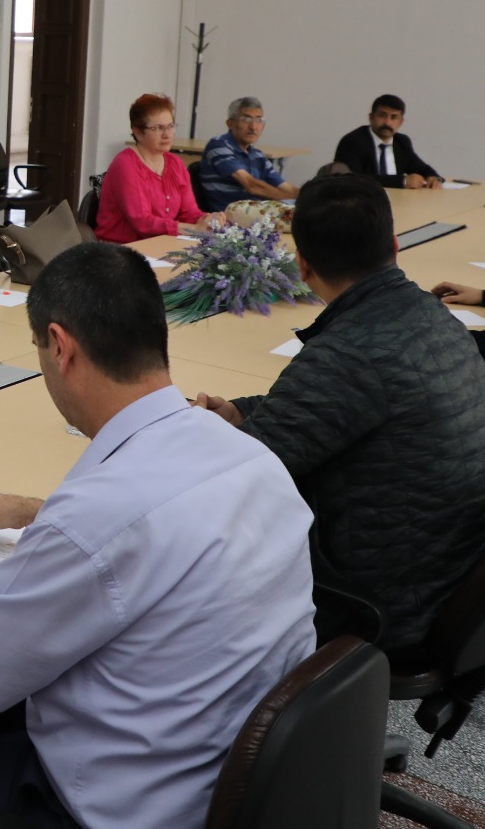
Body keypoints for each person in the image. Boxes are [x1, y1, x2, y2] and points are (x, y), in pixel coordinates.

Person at [0, 242, 315, 829]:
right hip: (230, 776)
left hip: (115, 808)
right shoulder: (250, 457)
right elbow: (155, 524)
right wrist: (29, 511)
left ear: (60, 347)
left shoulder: (95, 517)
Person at [196, 174, 485, 649]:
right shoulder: (432, 314)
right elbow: (339, 406)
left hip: (383, 607)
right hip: (450, 576)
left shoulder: (348, 353)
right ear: (395, 246)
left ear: (302, 265)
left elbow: (238, 477)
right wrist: (243, 413)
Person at [94, 93, 222, 243]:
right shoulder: (125, 164)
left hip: (161, 243)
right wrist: (193, 229)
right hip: (121, 247)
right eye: (158, 128)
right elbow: (142, 222)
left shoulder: (175, 163)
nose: (167, 134)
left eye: (170, 126)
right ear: (138, 133)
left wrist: (207, 219)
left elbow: (188, 212)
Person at [197, 96, 299, 209]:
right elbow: (252, 186)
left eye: (259, 120)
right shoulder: (218, 146)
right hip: (229, 215)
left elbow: (286, 187)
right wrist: (295, 200)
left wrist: (308, 197)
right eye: (246, 119)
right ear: (230, 123)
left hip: (258, 212)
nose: (253, 127)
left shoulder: (258, 155)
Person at [332, 94, 443, 189]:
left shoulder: (401, 142)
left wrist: (432, 178)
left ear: (401, 122)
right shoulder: (353, 141)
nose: (387, 123)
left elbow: (421, 168)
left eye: (393, 117)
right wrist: (402, 181)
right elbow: (351, 179)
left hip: (399, 201)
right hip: (364, 202)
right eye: (382, 116)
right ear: (371, 117)